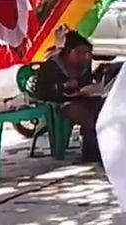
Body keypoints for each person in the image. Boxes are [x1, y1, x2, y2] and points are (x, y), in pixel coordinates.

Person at [35, 30, 103, 162]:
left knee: (102, 107)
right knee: (84, 114)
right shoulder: (52, 65)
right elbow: (42, 91)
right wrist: (63, 87)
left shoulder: (83, 63)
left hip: (82, 98)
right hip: (59, 102)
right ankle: (91, 152)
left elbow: (86, 82)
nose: (83, 57)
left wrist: (87, 86)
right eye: (79, 53)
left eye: (86, 53)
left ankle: (100, 145)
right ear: (68, 51)